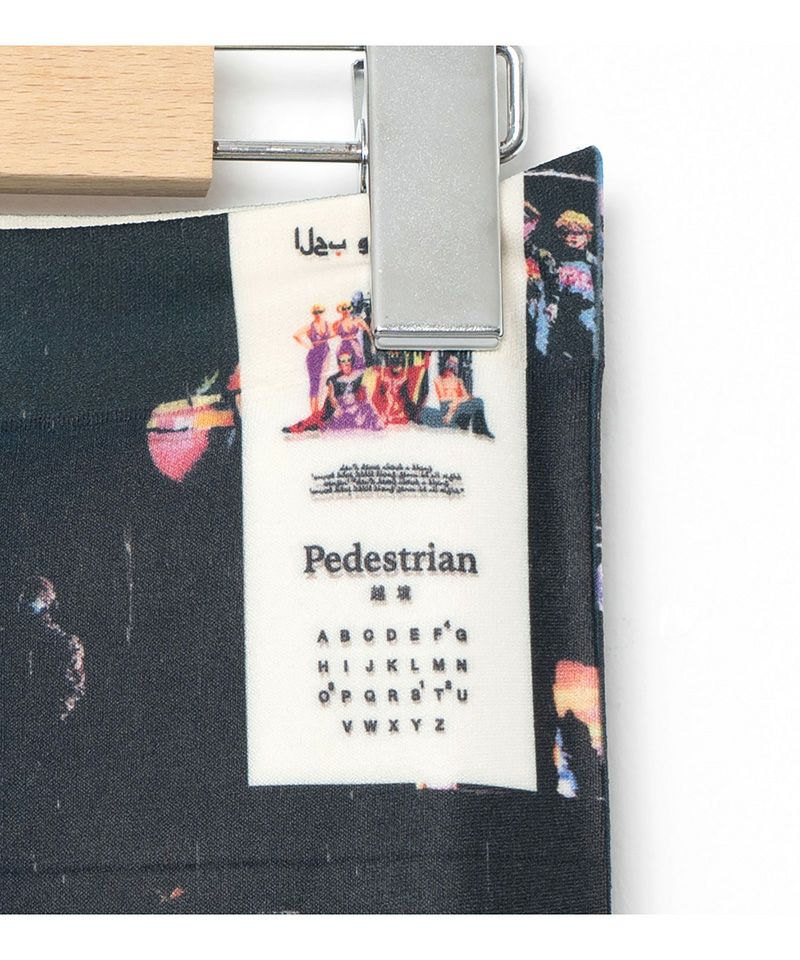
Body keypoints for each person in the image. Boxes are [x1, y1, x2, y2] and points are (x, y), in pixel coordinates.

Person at [1, 576, 86, 782]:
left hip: (44, 734)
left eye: (34, 598)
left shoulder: (64, 644)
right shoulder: (8, 641)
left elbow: (72, 692)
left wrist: (47, 724)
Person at [550, 210, 599, 360]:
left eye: (578, 233)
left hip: (588, 313)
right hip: (565, 314)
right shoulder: (556, 261)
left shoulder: (594, 263)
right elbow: (553, 288)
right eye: (567, 233)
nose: (572, 237)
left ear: (587, 236)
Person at [420, 354, 494, 438]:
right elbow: (442, 398)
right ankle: (455, 424)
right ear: (446, 364)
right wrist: (454, 406)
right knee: (425, 413)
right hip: (446, 409)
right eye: (450, 363)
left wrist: (456, 402)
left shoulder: (459, 381)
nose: (452, 367)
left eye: (455, 364)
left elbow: (466, 397)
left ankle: (480, 430)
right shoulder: (439, 379)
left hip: (456, 408)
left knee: (479, 401)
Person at [523, 201, 560, 356]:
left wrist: (553, 303)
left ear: (533, 224)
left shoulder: (542, 256)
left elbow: (553, 282)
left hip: (536, 313)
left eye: (524, 220)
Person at [322, 349, 382, 432]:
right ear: (339, 364)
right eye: (343, 361)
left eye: (348, 360)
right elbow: (331, 398)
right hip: (343, 408)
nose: (346, 363)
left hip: (358, 407)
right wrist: (338, 408)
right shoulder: (334, 380)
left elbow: (366, 389)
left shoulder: (359, 375)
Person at [293, 305, 334, 419]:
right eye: (316, 312)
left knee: (324, 381)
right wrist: (307, 345)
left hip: (325, 354)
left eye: (320, 312)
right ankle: (313, 412)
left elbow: (335, 332)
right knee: (314, 383)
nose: (318, 314)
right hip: (314, 355)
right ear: (313, 314)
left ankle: (320, 410)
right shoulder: (310, 326)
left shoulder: (327, 324)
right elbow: (296, 335)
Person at [333, 300, 374, 370]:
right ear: (340, 310)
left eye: (348, 308)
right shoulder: (337, 323)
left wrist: (373, 345)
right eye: (344, 309)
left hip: (355, 344)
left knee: (358, 363)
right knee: (344, 366)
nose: (346, 310)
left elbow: (368, 331)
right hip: (343, 346)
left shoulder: (357, 320)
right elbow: (332, 335)